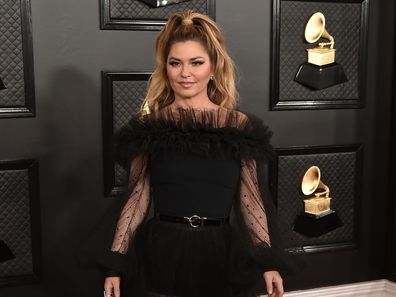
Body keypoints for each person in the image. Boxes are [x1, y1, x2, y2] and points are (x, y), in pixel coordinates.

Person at [91, 10, 292, 297]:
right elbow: (137, 198)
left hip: (219, 253)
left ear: (213, 68)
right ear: (166, 68)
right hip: (162, 252)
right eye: (176, 63)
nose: (185, 73)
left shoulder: (237, 126)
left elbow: (251, 199)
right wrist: (116, 264)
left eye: (196, 63)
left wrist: (268, 261)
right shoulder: (151, 127)